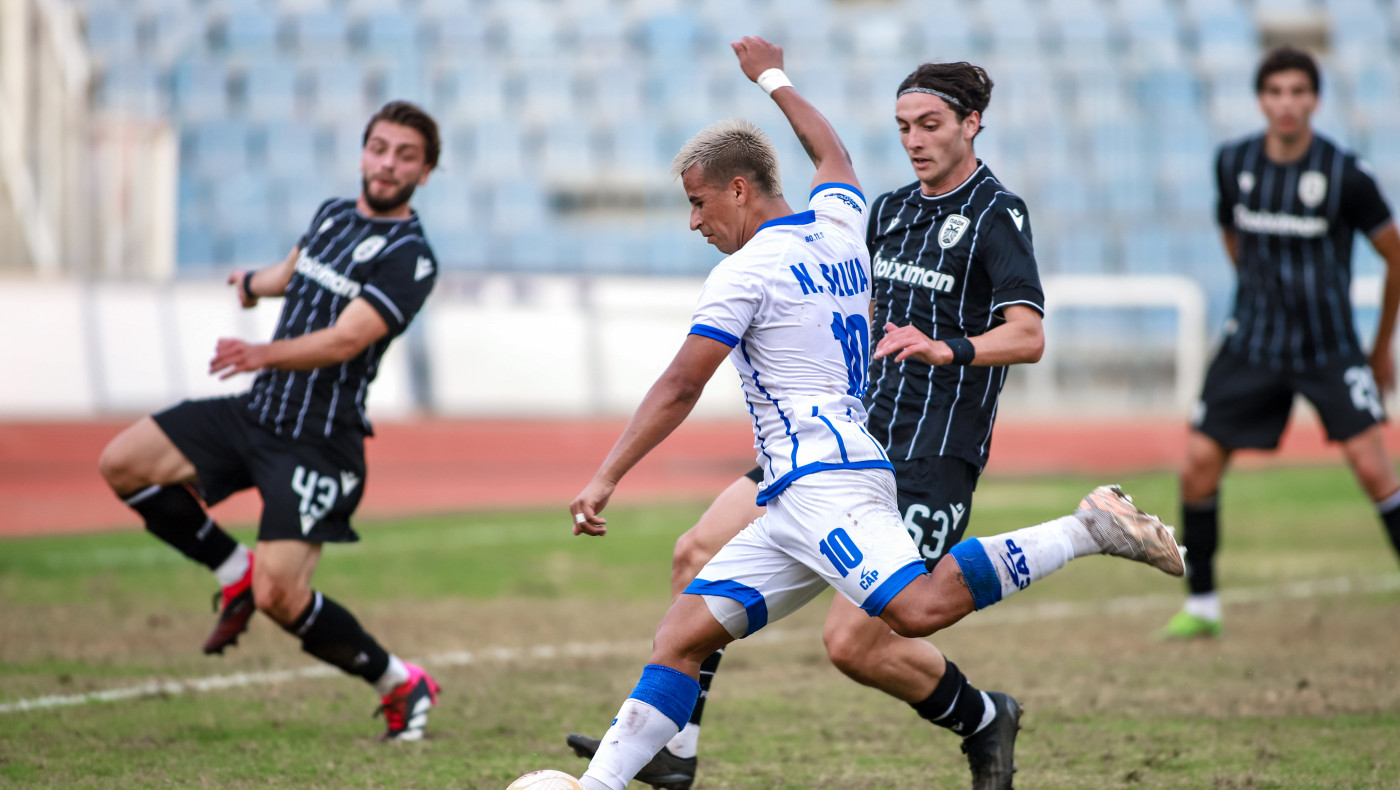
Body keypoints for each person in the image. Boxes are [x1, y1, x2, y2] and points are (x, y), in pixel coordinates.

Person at [564, 36, 1184, 790]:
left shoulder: (989, 215)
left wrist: (944, 348)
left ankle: (1032, 631)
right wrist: (773, 77)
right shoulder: (865, 215)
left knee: (875, 633)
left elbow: (1028, 335)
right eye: (904, 127)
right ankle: (659, 757)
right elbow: (835, 161)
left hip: (912, 452)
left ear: (971, 124)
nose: (915, 140)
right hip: (830, 447)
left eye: (929, 124)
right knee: (690, 582)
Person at [97, 101, 443, 741]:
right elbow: (293, 272)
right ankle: (234, 571)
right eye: (379, 147)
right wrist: (252, 284)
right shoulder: (332, 214)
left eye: (405, 156)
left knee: (280, 599)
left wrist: (261, 352)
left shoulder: (411, 257)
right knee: (123, 462)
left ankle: (400, 681)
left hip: (318, 441)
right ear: (363, 151)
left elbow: (345, 339)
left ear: (425, 173)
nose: (387, 163)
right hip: (258, 411)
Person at [1162, 46, 1400, 640]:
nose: (1286, 104)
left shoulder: (1346, 173)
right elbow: (1229, 231)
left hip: (1328, 346)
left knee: (1375, 469)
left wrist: (1379, 349)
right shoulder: (1233, 162)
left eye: (1298, 92)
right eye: (1275, 92)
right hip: (1252, 345)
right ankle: (1204, 605)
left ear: (1315, 100)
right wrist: (1260, 291)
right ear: (1261, 100)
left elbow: (1395, 254)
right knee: (1196, 467)